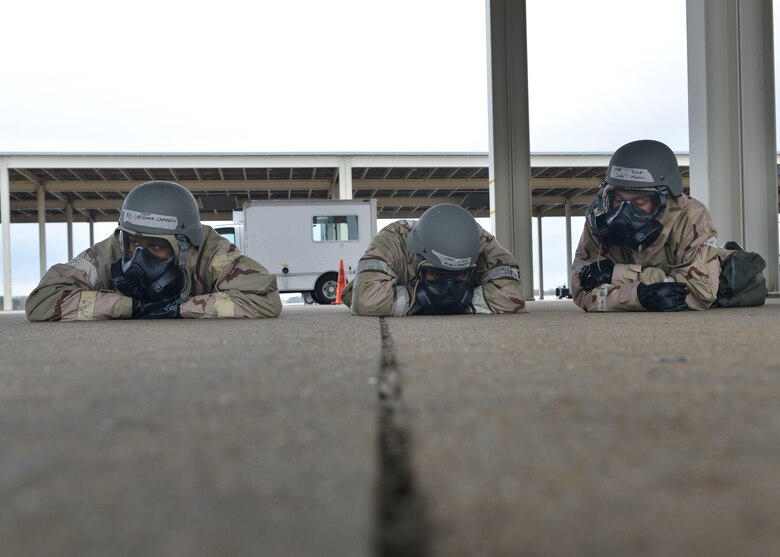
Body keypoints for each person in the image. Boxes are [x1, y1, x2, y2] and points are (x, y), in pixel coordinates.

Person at [26, 180, 282, 321]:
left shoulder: (212, 253)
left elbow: (265, 300)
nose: (138, 257)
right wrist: (128, 307)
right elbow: (42, 301)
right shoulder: (110, 251)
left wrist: (182, 308)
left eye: (156, 246)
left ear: (185, 248)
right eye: (133, 244)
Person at [572, 139, 722, 312]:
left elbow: (701, 293)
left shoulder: (691, 216)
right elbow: (581, 291)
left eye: (640, 201)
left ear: (664, 200)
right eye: (618, 199)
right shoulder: (599, 219)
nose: (623, 213)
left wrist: (618, 275)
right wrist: (640, 296)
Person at [342, 203, 526, 315]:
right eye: (435, 276)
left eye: (459, 277)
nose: (448, 288)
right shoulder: (391, 241)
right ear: (417, 257)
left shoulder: (477, 240)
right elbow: (366, 301)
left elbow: (512, 294)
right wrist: (423, 301)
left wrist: (456, 302)